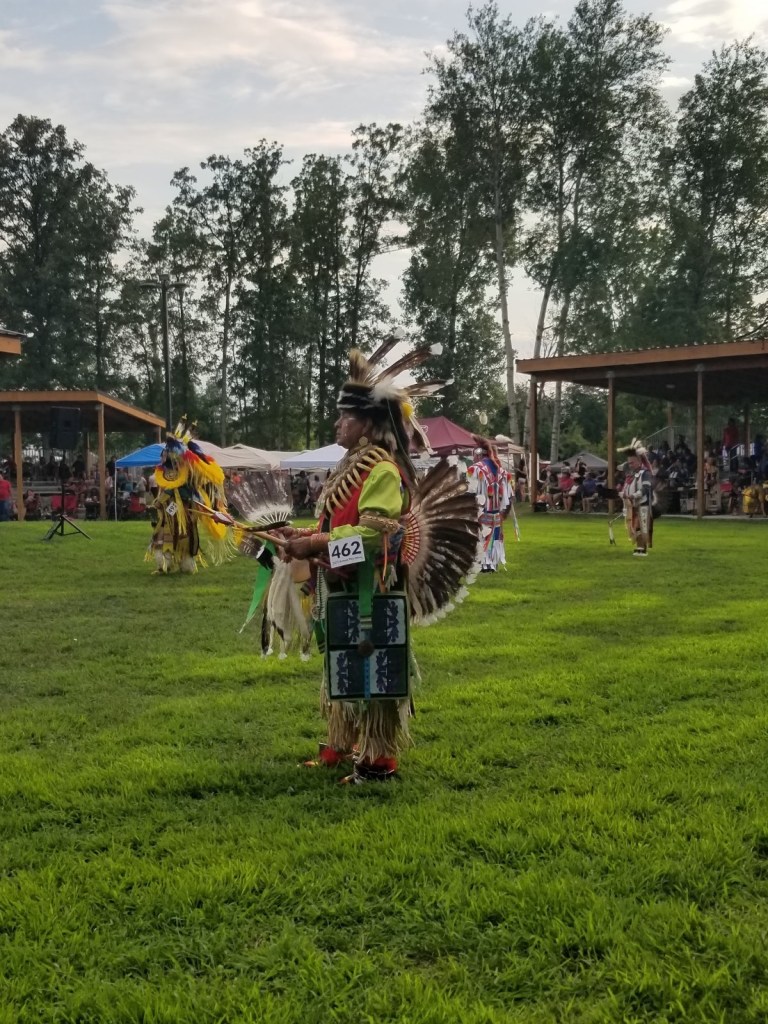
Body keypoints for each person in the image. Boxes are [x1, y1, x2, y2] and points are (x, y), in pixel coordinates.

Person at [278, 337, 480, 784]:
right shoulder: (350, 468)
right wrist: (303, 535)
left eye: (343, 417)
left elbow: (373, 536)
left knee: (374, 670)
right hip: (344, 586)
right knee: (342, 664)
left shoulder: (382, 470)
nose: (336, 424)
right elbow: (339, 523)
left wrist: (316, 547)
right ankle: (340, 743)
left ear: (367, 424)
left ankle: (378, 760)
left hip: (373, 589)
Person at [146, 418, 232, 573]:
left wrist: (168, 495)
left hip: (185, 510)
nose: (167, 456)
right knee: (165, 535)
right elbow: (164, 488)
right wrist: (160, 501)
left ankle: (185, 563)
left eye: (171, 453)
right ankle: (165, 564)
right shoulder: (162, 471)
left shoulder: (190, 471)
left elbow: (192, 487)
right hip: (168, 513)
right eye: (167, 453)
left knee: (185, 536)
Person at [466, 437, 512, 571]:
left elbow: (469, 493)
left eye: (474, 454)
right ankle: (491, 563)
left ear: (479, 453)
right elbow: (510, 496)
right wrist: (504, 513)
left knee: (481, 536)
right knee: (494, 536)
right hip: (496, 515)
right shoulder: (502, 471)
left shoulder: (475, 469)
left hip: (480, 514)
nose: (473, 457)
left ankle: (482, 563)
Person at [620, 439, 655, 557]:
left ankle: (643, 548)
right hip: (633, 505)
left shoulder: (645, 473)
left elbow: (645, 489)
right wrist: (623, 494)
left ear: (639, 461)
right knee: (634, 526)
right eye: (629, 463)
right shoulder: (631, 475)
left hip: (643, 504)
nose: (630, 465)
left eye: (632, 463)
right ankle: (638, 547)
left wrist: (633, 495)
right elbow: (626, 487)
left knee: (642, 526)